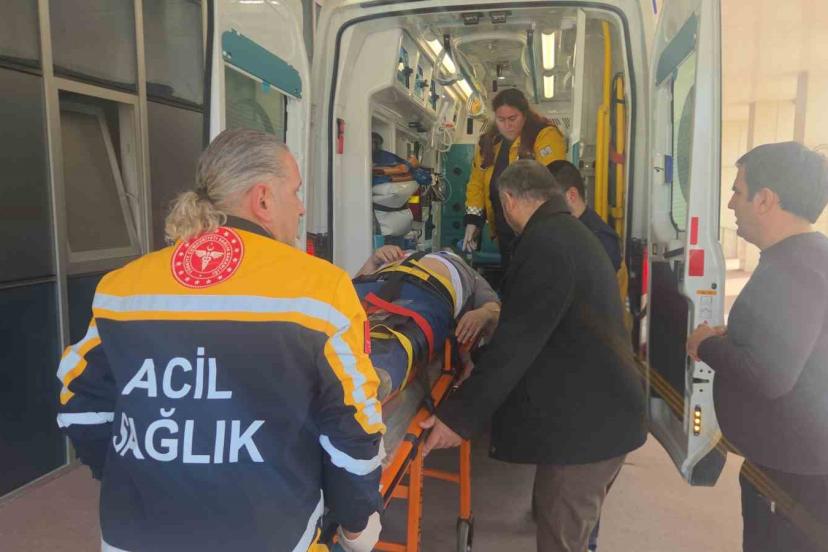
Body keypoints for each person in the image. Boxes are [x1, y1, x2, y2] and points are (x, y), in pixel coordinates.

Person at [55, 129, 384, 552]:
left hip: (132, 536)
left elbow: (79, 402)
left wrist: (131, 474)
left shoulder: (121, 287)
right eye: (295, 191)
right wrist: (357, 524)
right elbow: (353, 425)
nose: (301, 207)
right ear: (263, 199)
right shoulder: (321, 289)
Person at [424, 160, 647, 552]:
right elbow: (538, 321)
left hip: (588, 431)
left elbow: (518, 344)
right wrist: (490, 335)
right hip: (599, 413)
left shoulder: (546, 245)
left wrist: (457, 418)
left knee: (560, 536)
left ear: (509, 200)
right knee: (556, 518)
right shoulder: (566, 234)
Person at [687, 142, 828, 552]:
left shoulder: (793, 268)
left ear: (765, 199)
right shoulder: (806, 257)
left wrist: (706, 344)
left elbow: (770, 376)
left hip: (792, 472)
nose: (731, 204)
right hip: (796, 462)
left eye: (738, 191)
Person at [354, 245, 501, 398]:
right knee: (344, 307)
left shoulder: (471, 274)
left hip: (430, 292)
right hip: (379, 281)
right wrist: (374, 260)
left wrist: (482, 314)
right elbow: (352, 283)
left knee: (411, 328)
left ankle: (375, 373)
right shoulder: (404, 254)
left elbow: (494, 309)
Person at [463, 88, 566, 269]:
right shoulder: (488, 144)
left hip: (536, 232)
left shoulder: (544, 137)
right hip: (504, 230)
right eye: (501, 120)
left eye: (512, 119)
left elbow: (552, 183)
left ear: (524, 115)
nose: (507, 125)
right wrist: (473, 221)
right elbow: (477, 184)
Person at [546, 160, 621, 271]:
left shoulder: (602, 241)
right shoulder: (560, 229)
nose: (545, 206)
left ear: (572, 195)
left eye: (550, 200)